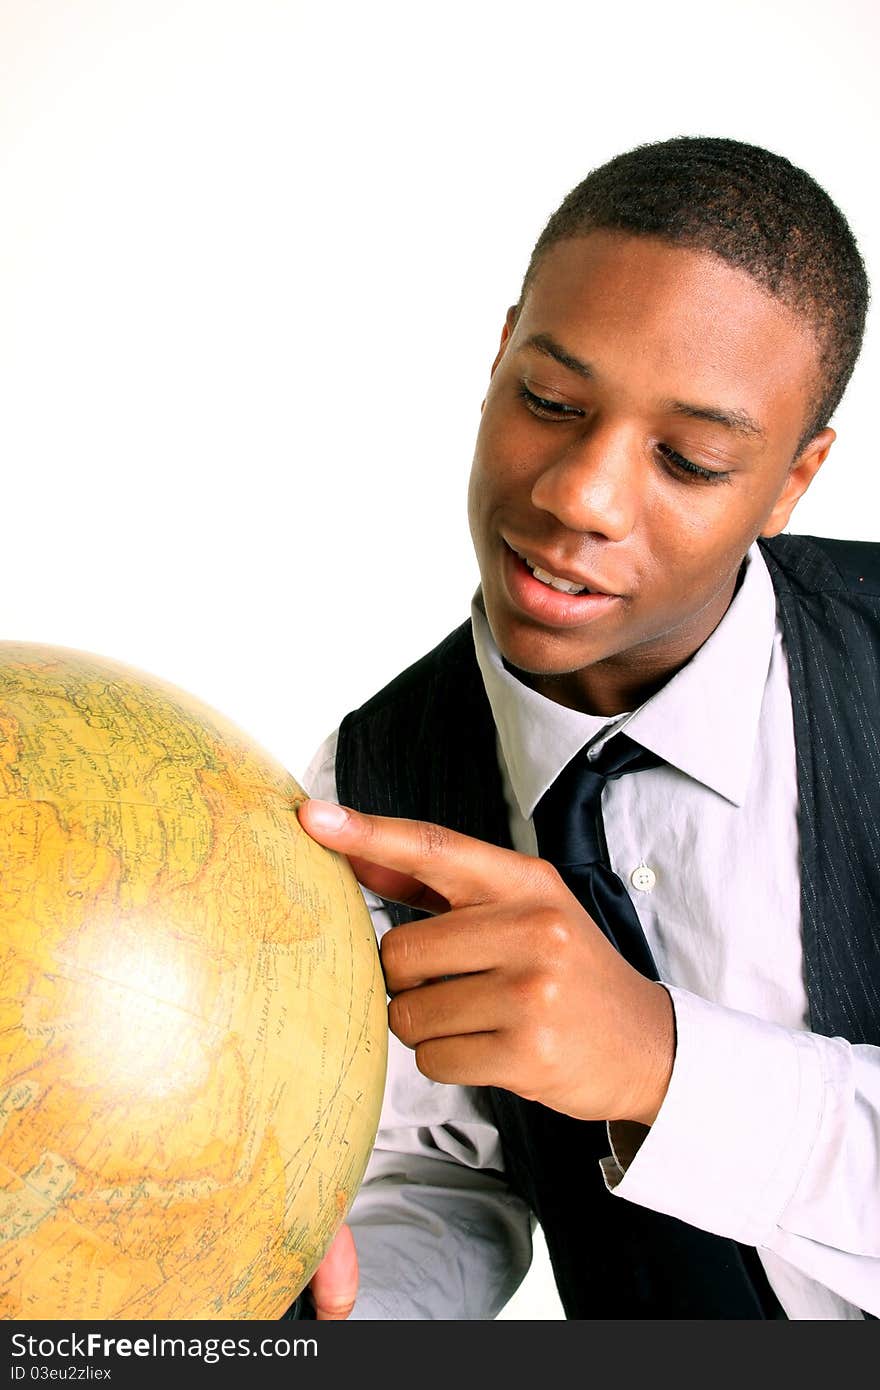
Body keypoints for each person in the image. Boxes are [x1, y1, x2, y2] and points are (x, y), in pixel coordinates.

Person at [295, 136, 879, 1319]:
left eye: (691, 459)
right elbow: (445, 1168)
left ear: (792, 480)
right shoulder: (376, 777)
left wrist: (662, 1064)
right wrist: (348, 1309)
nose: (581, 495)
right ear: (499, 353)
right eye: (549, 400)